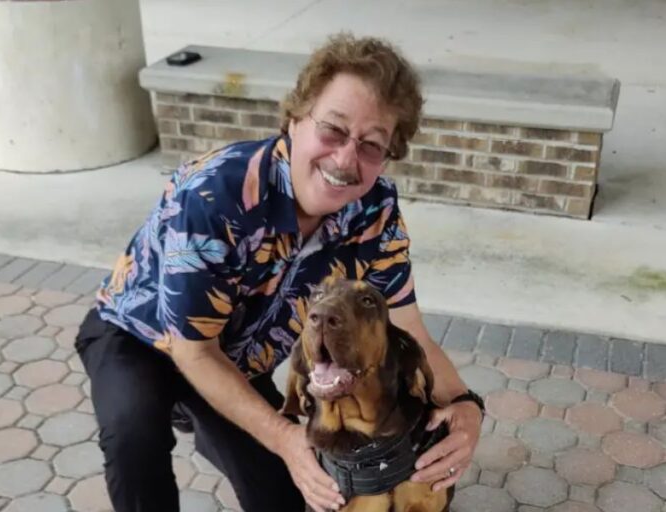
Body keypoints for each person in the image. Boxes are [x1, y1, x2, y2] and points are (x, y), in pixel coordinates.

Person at [75, 33, 484, 512]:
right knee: (135, 435)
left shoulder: (376, 212)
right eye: (332, 129)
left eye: (372, 145)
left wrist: (467, 405)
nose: (345, 159)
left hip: (232, 359)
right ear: (295, 118)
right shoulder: (214, 195)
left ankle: (201, 413)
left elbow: (407, 326)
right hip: (138, 338)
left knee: (286, 494)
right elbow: (193, 351)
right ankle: (184, 411)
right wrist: (285, 436)